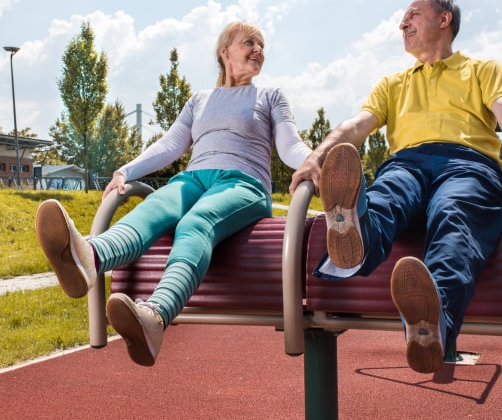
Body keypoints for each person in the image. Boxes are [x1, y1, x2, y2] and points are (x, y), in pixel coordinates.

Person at [289, 0, 502, 374]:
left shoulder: (481, 69)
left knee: (455, 216)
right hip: (407, 163)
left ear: (444, 19)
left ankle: (430, 328)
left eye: (413, 15)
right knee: (386, 196)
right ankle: (354, 234)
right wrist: (317, 157)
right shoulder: (393, 84)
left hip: (468, 165)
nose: (403, 23)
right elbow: (356, 125)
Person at [36, 21, 311, 367]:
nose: (258, 49)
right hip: (193, 178)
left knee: (196, 223)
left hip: (243, 183)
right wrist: (126, 171)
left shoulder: (269, 96)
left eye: (262, 45)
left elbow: (289, 145)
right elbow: (170, 144)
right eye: (250, 42)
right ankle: (87, 258)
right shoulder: (200, 100)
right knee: (153, 208)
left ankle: (154, 316)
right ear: (224, 50)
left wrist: (315, 162)